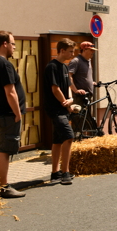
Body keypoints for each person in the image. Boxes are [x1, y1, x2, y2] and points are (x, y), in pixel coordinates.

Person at [0, 31, 26, 199]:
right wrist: (17, 113)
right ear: (5, 44)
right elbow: (11, 92)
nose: (14, 47)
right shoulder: (4, 64)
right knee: (5, 150)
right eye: (13, 43)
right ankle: (4, 186)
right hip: (7, 114)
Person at [43, 39, 78, 185]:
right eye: (70, 51)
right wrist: (65, 102)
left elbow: (68, 85)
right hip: (55, 109)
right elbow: (55, 88)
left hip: (63, 108)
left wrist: (70, 99)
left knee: (57, 140)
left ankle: (55, 173)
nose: (72, 53)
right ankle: (65, 173)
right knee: (69, 137)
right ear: (62, 50)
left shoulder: (64, 67)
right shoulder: (52, 67)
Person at [68, 41, 96, 109]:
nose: (93, 52)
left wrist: (90, 82)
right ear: (84, 50)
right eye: (91, 50)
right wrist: (76, 91)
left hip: (88, 96)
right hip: (79, 97)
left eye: (93, 50)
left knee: (87, 119)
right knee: (79, 118)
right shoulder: (76, 61)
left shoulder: (88, 60)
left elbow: (83, 76)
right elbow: (69, 76)